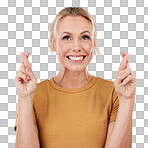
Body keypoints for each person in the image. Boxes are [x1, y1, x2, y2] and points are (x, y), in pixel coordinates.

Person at [14, 7, 136, 148]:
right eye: (67, 37)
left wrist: (127, 100)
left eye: (85, 37)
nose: (76, 47)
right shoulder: (32, 94)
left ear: (94, 43)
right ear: (53, 44)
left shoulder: (114, 93)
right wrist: (24, 98)